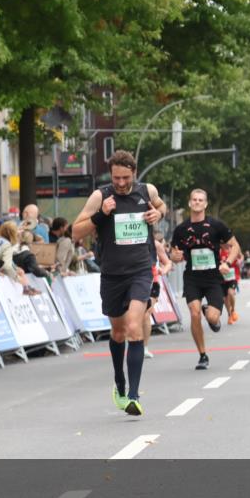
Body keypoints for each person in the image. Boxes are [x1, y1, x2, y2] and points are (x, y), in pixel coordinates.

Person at [72, 150, 166, 416]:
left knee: (135, 326)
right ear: (110, 174)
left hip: (140, 270)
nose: (121, 183)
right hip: (112, 274)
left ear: (133, 173)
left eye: (125, 178)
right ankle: (120, 382)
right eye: (116, 178)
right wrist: (101, 214)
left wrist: (157, 214)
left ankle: (134, 396)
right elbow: (75, 231)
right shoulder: (100, 196)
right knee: (118, 332)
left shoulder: (147, 191)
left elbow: (161, 206)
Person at [169, 188, 241, 370]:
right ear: (189, 203)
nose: (197, 202)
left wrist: (228, 263)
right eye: (194, 200)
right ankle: (202, 355)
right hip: (192, 277)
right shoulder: (181, 229)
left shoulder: (216, 225)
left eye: (201, 200)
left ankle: (210, 315)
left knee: (212, 317)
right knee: (194, 314)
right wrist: (174, 257)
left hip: (213, 278)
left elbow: (235, 246)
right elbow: (173, 253)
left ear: (206, 204)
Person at [142, 231, 174, 358]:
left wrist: (163, 270)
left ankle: (144, 347)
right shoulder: (129, 244)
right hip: (134, 282)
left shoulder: (156, 245)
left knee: (146, 313)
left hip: (152, 282)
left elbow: (168, 263)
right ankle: (134, 342)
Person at [220, 245, 243, 324]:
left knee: (230, 292)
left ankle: (233, 310)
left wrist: (240, 261)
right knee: (225, 298)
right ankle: (229, 315)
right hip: (222, 278)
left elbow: (241, 256)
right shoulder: (219, 250)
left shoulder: (234, 247)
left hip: (233, 276)